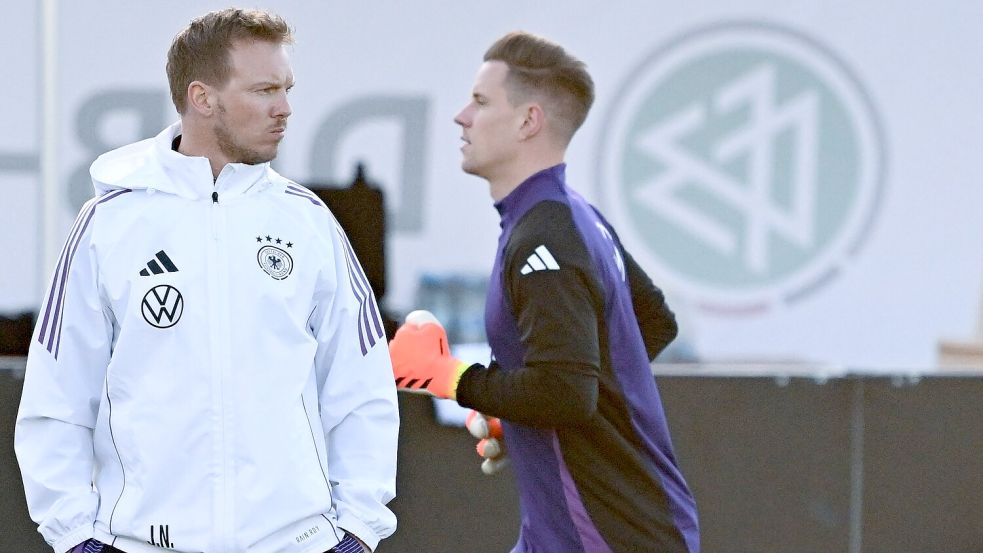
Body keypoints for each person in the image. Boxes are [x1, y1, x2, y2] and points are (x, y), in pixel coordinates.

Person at [15, 8, 398, 553]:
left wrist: (358, 529)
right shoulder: (110, 222)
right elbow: (56, 396)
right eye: (264, 90)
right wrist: (75, 536)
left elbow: (363, 390)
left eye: (286, 89)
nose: (285, 108)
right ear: (202, 97)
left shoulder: (308, 222)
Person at [389, 31, 699, 552]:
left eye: (481, 101)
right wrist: (521, 413)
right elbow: (649, 326)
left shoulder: (546, 234)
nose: (462, 116)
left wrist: (450, 376)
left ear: (528, 121)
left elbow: (564, 392)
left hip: (608, 538)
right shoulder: (570, 216)